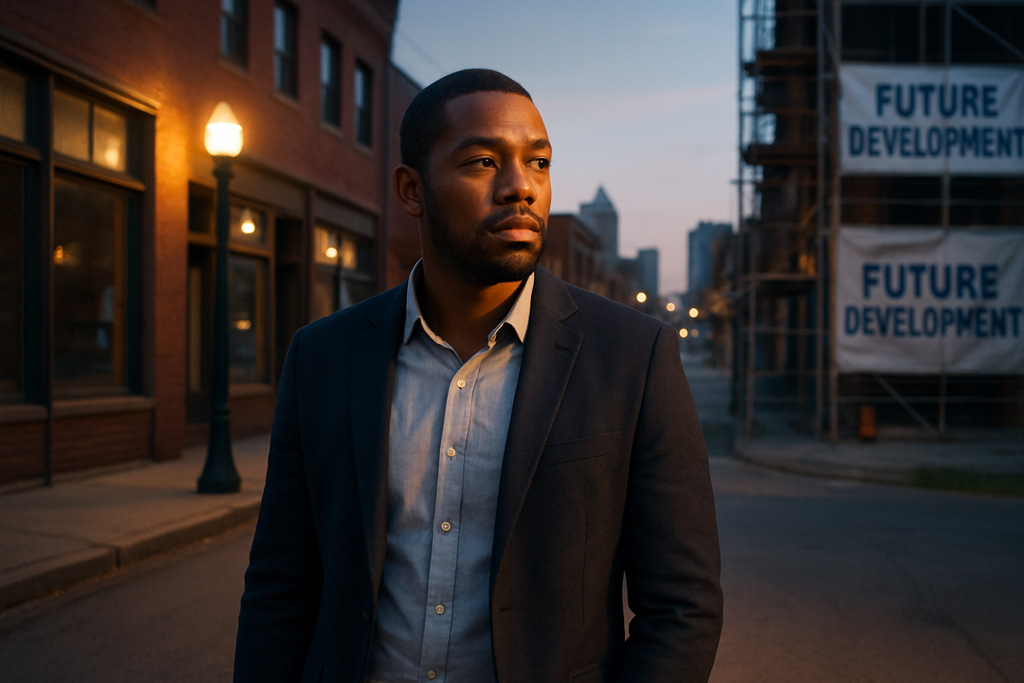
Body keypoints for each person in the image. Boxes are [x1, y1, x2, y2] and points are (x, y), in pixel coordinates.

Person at [234, 68, 722, 683]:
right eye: (484, 162)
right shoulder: (323, 357)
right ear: (412, 190)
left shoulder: (632, 355)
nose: (521, 187)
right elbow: (281, 586)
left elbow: (682, 606)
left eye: (539, 163)